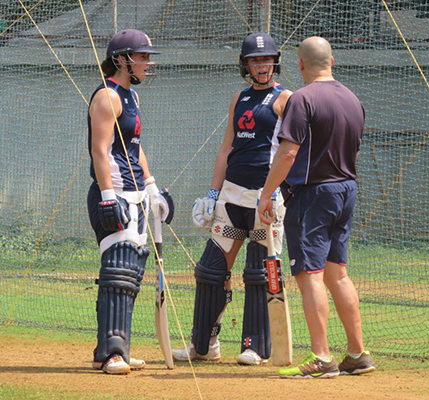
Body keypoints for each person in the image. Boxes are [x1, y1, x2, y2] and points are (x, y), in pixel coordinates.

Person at [171, 33, 292, 366]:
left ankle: (256, 346)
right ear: (246, 65)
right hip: (231, 197)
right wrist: (212, 194)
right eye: (255, 61)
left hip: (264, 200)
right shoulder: (238, 98)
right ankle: (203, 346)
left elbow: (291, 151)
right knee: (210, 271)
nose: (261, 66)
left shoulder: (286, 99)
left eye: (266, 60)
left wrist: (277, 193)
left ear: (275, 62)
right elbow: (227, 149)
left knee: (257, 271)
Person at [258, 36, 375, 378]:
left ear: (300, 64)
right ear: (332, 61)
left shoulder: (302, 99)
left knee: (309, 276)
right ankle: (357, 353)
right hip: (346, 189)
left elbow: (288, 152)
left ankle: (323, 358)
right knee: (337, 273)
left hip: (312, 195)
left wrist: (267, 194)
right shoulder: (353, 99)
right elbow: (354, 152)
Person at [87, 29, 174, 375]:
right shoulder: (107, 97)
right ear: (122, 59)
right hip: (114, 193)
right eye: (142, 57)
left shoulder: (132, 98)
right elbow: (101, 150)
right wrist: (108, 197)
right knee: (118, 270)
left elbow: (134, 149)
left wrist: (152, 188)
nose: (147, 63)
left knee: (132, 271)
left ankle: (115, 349)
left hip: (136, 193)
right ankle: (111, 353)